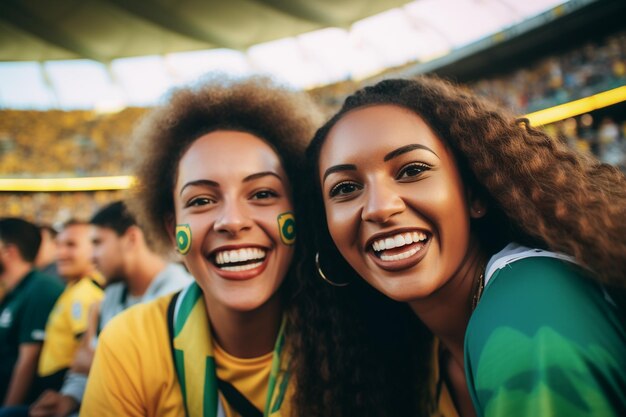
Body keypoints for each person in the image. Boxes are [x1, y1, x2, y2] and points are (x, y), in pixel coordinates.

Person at [306, 76, 626, 417]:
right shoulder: (415, 348)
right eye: (344, 188)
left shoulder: (528, 319)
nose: (379, 207)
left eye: (412, 170)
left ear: (473, 192)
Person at [81, 75, 327, 417]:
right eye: (201, 200)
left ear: (298, 213)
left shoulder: (355, 337)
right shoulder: (130, 342)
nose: (232, 221)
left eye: (262, 194)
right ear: (172, 229)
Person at [28, 201, 192, 417]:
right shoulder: (112, 294)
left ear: (131, 238)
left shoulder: (180, 295)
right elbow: (82, 370)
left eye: (98, 243)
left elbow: (165, 380)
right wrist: (69, 398)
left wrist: (99, 362)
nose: (92, 256)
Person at [34, 221, 103, 399]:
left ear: (94, 248)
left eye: (71, 245)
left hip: (64, 386)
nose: (60, 253)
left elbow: (89, 352)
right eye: (58, 245)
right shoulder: (76, 287)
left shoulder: (84, 293)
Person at [0, 218, 63, 408]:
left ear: (9, 252)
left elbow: (28, 361)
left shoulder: (41, 290)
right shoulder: (15, 292)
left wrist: (7, 410)